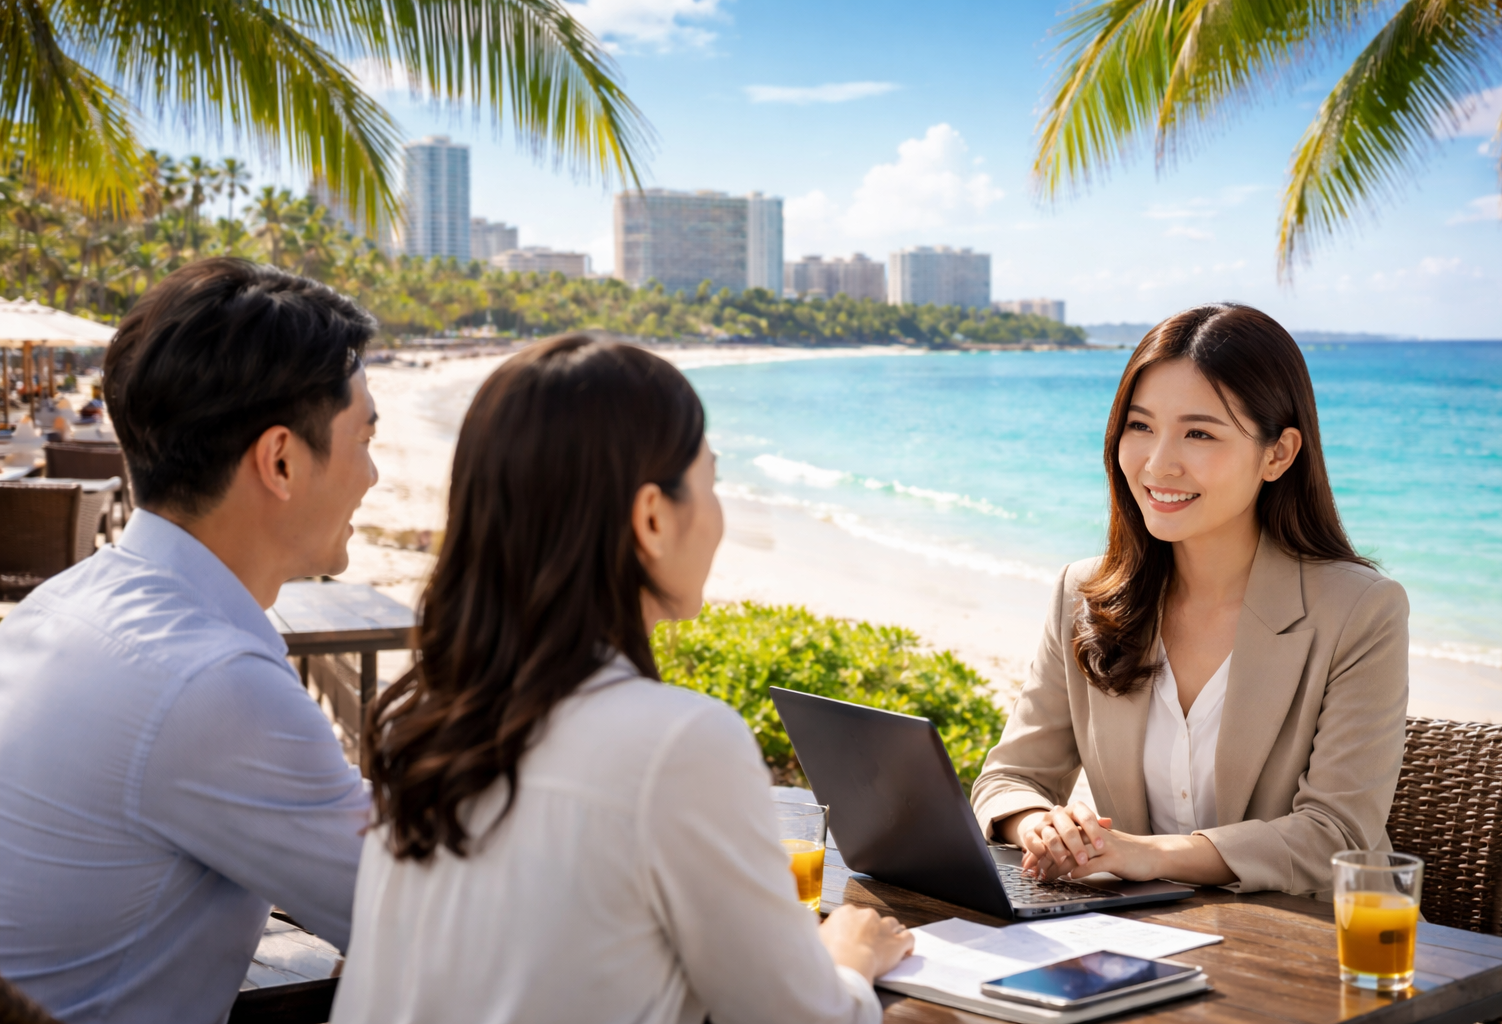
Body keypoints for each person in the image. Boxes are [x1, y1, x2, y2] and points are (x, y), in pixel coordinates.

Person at [330, 335, 913, 1024]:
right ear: (652, 518)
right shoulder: (677, 744)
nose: (719, 513)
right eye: (712, 482)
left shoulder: (429, 722)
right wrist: (851, 956)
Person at [0, 259, 377, 1022]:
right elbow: (430, 915)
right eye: (365, 438)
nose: (371, 475)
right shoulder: (209, 682)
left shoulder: (63, 605)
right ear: (280, 461)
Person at [971, 303, 1409, 898]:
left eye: (1199, 433)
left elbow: (1336, 835)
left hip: (1313, 952)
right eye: (1140, 425)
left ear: (1278, 454)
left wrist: (1143, 856)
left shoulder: (1361, 610)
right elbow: (1011, 777)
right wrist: (1041, 827)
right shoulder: (1083, 594)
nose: (1158, 463)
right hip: (1141, 940)